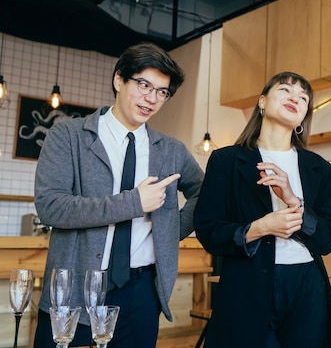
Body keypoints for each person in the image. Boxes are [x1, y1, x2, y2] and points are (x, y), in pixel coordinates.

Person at [33, 42, 205, 348]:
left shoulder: (171, 151)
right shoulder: (68, 136)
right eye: (143, 85)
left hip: (141, 290)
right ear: (118, 80)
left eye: (162, 92)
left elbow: (204, 193)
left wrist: (169, 231)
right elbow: (51, 207)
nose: (151, 98)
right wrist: (134, 203)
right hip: (74, 284)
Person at [194, 71, 331, 348]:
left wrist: (294, 201)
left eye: (303, 97)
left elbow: (330, 237)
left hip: (307, 286)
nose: (295, 98)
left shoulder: (320, 169)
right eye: (286, 90)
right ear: (262, 101)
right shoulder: (226, 161)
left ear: (303, 116)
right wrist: (258, 228)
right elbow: (207, 229)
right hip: (246, 285)